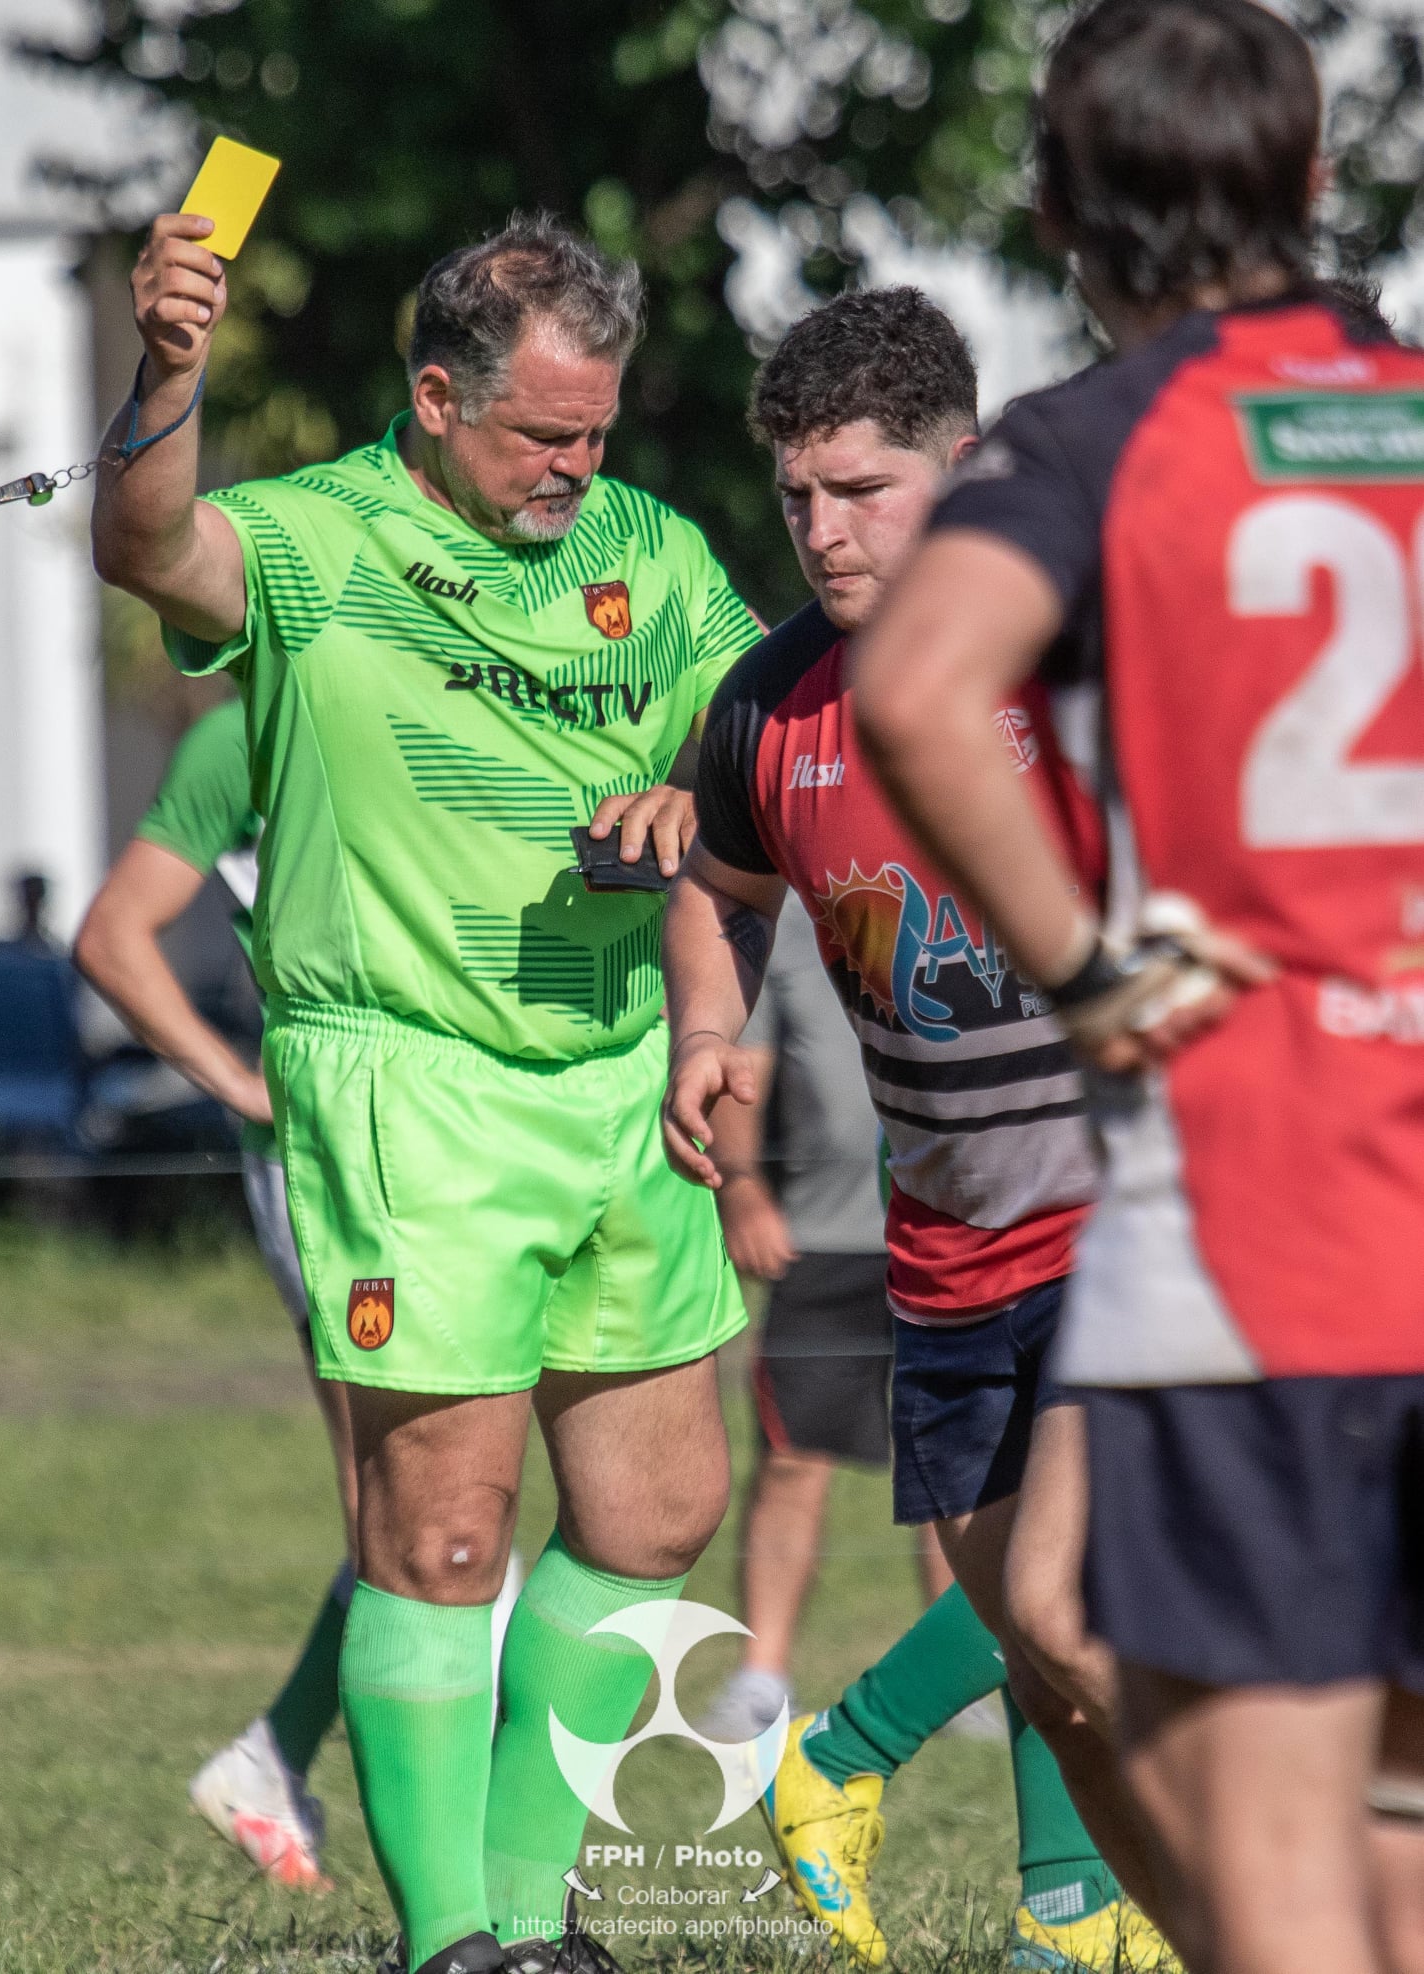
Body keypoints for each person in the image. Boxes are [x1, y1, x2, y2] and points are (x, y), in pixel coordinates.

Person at [91, 210, 760, 1974]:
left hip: (616, 1077)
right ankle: (460, 1936)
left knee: (657, 1510)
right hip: (407, 1081)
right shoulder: (317, 539)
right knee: (447, 1529)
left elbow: (750, 732)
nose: (578, 466)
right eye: (544, 432)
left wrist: (705, 804)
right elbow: (145, 537)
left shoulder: (656, 552)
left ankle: (540, 1926)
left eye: (599, 430)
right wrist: (168, 369)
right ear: (437, 391)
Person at [849, 5, 1424, 1972]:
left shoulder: (1100, 440)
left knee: (1274, 1883)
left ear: (1057, 207)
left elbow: (914, 689)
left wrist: (1091, 978)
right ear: (1313, 180)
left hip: (1256, 1235)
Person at [661, 287, 1169, 1970]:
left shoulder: (1075, 655)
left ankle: (847, 1753)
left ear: (961, 467)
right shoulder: (767, 703)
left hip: (1125, 1219)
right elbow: (719, 893)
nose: (823, 528)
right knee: (1045, 1646)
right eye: (799, 494)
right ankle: (1067, 1915)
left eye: (863, 488)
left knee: (1069, 1596)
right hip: (943, 1250)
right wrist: (711, 1034)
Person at [75, 700, 523, 1889]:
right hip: (331, 1163)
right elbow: (114, 935)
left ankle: (276, 1759)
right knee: (404, 1506)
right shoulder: (242, 736)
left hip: (475, 1137)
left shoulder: (465, 689)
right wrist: (240, 1081)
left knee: (454, 1507)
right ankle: (454, 1878)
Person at [701, 894, 964, 1745]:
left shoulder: (958, 909)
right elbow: (749, 1063)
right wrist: (741, 1186)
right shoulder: (784, 926)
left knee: (950, 1472)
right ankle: (761, 1678)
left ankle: (959, 1682)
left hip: (949, 1233)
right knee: (791, 1461)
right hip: (822, 1239)